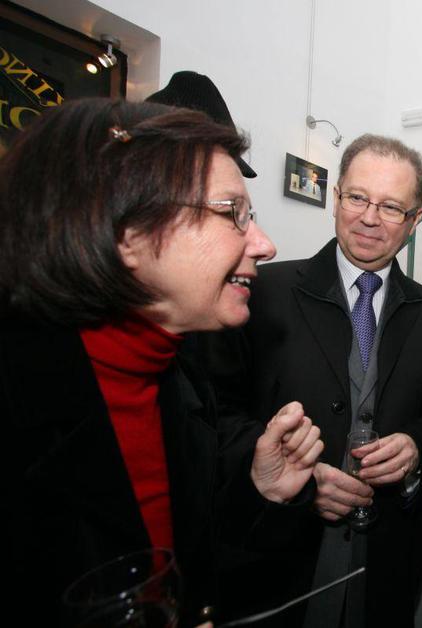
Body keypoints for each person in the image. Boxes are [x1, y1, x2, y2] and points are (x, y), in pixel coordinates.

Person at [0, 98, 324, 625]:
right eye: (232, 213)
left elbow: (189, 556)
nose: (265, 246)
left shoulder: (180, 374)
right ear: (127, 233)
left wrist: (260, 490)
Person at [202, 133, 422, 627]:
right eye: (358, 198)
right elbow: (215, 415)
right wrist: (300, 483)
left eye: (391, 207)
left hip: (387, 556)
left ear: (415, 219)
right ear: (336, 198)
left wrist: (416, 445)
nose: (369, 218)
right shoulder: (263, 293)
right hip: (279, 557)